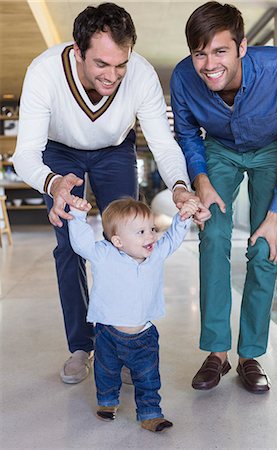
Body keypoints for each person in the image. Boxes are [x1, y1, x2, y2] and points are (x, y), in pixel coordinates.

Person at [12, 3, 211, 383]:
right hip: (58, 152)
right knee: (69, 246)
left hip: (116, 149)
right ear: (77, 49)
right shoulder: (43, 72)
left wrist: (181, 189)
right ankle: (81, 347)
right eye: (102, 64)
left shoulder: (141, 75)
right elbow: (25, 154)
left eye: (121, 64)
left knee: (129, 241)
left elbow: (164, 145)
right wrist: (53, 183)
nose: (113, 75)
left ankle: (122, 340)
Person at [170, 1, 277, 393]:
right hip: (220, 150)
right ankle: (217, 354)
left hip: (273, 148)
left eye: (220, 51)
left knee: (264, 248)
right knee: (212, 237)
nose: (209, 64)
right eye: (200, 53)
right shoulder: (182, 78)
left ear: (242, 47)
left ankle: (251, 356)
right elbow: (188, 134)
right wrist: (201, 177)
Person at [67, 196, 198, 432]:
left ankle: (150, 414)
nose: (151, 236)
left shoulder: (155, 254)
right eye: (141, 232)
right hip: (108, 333)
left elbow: (173, 238)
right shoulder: (104, 254)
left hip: (143, 336)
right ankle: (107, 403)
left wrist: (183, 217)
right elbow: (81, 244)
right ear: (117, 240)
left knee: (148, 377)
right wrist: (77, 216)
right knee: (106, 372)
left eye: (152, 229)